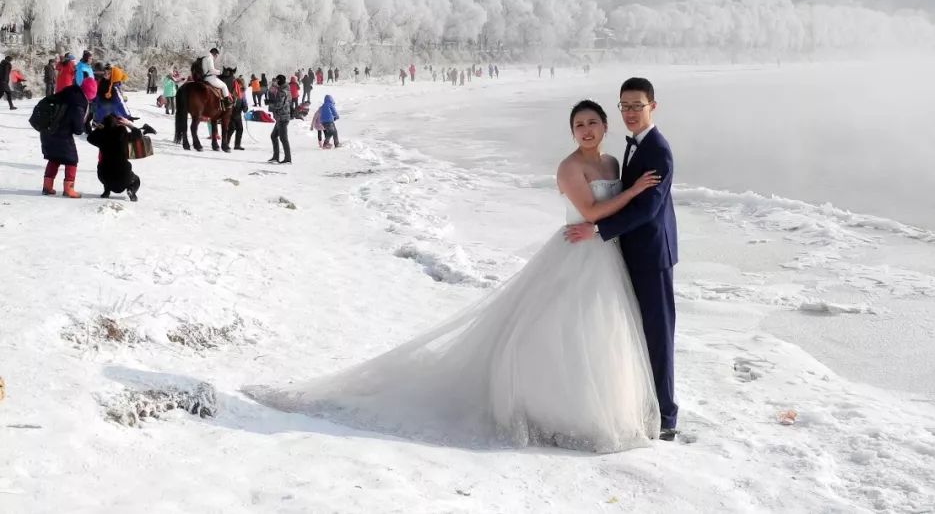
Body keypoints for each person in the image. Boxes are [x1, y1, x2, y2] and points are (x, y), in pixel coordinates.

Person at [244, 100, 662, 452]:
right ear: (571, 132)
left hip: (605, 256)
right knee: (558, 330)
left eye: (592, 123)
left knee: (600, 332)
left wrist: (629, 197)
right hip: (575, 252)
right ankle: (554, 409)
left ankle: (599, 408)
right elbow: (589, 213)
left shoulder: (610, 160)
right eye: (578, 125)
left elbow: (610, 214)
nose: (586, 130)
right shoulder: (569, 167)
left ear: (605, 126)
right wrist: (633, 191)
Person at [565, 77, 679, 440]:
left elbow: (648, 209)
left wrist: (598, 231)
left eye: (637, 106)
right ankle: (638, 402)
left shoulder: (658, 150)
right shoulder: (626, 152)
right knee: (628, 334)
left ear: (652, 107)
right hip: (623, 254)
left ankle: (666, 417)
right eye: (624, 106)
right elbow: (621, 198)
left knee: (657, 337)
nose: (630, 112)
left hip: (652, 256)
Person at [40, 77, 95, 198]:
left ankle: (47, 186)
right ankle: (68, 189)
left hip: (47, 130)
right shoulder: (79, 102)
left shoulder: (68, 93)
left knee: (54, 158)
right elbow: (78, 128)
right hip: (62, 133)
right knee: (72, 160)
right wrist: (81, 128)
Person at [87, 114, 142, 201]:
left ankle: (106, 191)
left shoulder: (102, 136)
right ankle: (131, 190)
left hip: (104, 176)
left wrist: (99, 128)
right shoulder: (122, 134)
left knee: (106, 168)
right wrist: (128, 124)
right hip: (123, 176)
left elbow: (90, 138)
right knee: (136, 180)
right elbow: (138, 134)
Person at [266, 74, 292, 164]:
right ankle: (276, 156)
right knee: (273, 136)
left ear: (279, 81)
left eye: (277, 81)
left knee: (283, 138)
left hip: (283, 117)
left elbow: (279, 105)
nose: (276, 82)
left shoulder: (282, 91)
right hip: (281, 117)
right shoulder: (286, 89)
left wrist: (270, 103)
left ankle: (288, 158)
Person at [224, 72, 248, 150]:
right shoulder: (232, 90)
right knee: (231, 128)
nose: (241, 85)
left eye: (242, 84)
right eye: (240, 83)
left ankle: (237, 145)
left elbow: (244, 100)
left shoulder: (243, 91)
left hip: (238, 112)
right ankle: (225, 143)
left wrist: (245, 107)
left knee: (240, 129)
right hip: (231, 112)